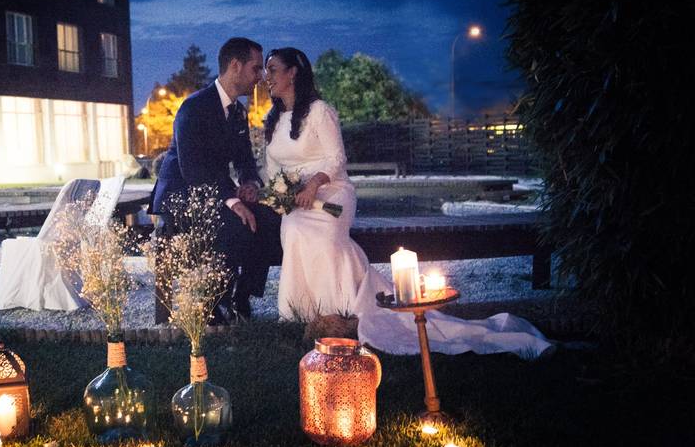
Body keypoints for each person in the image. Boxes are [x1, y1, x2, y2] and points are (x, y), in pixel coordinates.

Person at [262, 47, 552, 358]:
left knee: (327, 241)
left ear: (293, 72)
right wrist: (280, 194)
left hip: (331, 193)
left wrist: (314, 184)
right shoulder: (273, 119)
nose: (267, 77)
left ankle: (344, 315)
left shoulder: (320, 111)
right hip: (298, 203)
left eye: (273, 69)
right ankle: (303, 316)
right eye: (265, 70)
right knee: (292, 230)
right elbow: (271, 167)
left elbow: (336, 157)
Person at [151, 37, 282, 324]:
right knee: (236, 223)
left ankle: (242, 296)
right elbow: (193, 170)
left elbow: (245, 160)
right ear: (235, 66)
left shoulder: (238, 112)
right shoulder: (193, 108)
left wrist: (250, 184)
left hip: (217, 192)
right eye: (255, 69)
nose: (260, 77)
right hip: (181, 196)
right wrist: (234, 202)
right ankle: (214, 304)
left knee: (270, 219)